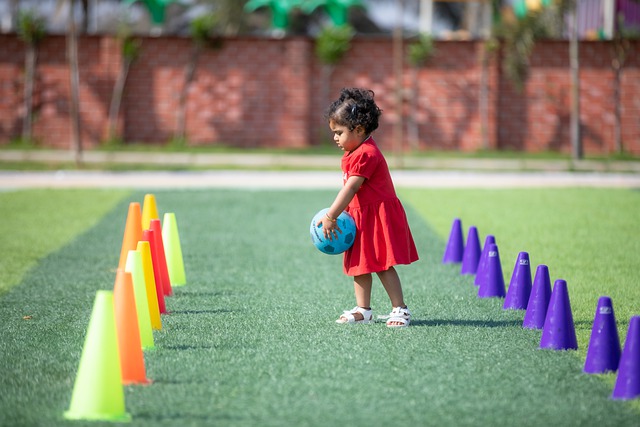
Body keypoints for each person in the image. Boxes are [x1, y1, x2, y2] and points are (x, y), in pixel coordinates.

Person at [318, 87, 419, 328]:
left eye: (339, 132)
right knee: (360, 264)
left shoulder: (367, 154)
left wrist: (331, 214)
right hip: (360, 216)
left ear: (359, 130)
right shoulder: (354, 151)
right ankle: (363, 310)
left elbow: (352, 188)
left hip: (377, 215)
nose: (335, 138)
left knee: (383, 264)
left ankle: (400, 309)